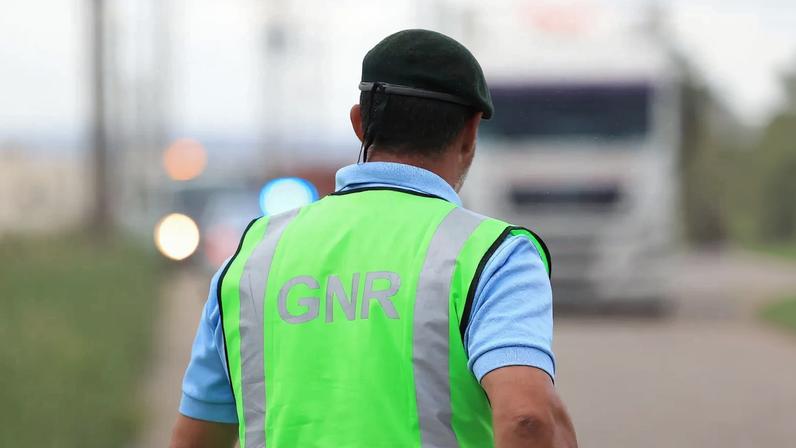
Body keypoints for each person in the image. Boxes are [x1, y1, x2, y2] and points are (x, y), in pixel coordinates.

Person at [170, 29, 577, 448]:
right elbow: (526, 418)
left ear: (359, 124)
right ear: (471, 134)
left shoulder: (254, 253)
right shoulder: (494, 256)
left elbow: (195, 438)